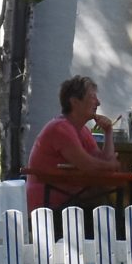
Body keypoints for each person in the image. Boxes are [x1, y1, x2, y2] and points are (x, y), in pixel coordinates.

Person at [25, 74, 121, 215]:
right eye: (93, 97)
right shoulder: (60, 128)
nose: (98, 103)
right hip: (48, 209)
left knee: (112, 218)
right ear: (74, 102)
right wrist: (112, 165)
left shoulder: (83, 130)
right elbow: (89, 165)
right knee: (112, 221)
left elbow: (102, 162)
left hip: (70, 205)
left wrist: (108, 132)